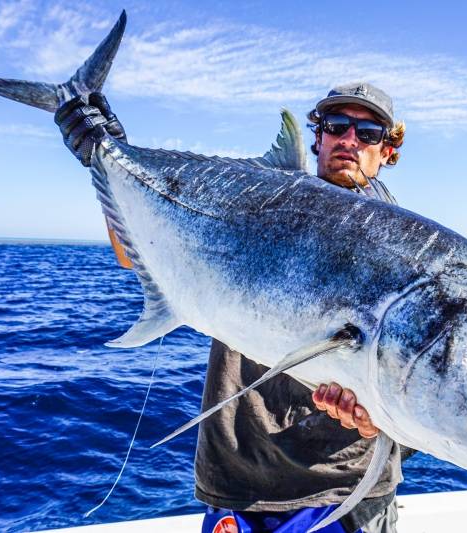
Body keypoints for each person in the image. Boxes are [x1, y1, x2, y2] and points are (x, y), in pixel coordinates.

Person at [55, 82, 407, 533]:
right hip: (236, 478)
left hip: (343, 490)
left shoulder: (404, 252)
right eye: (337, 126)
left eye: (369, 132)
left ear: (388, 149)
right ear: (318, 137)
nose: (349, 141)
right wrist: (102, 154)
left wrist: (375, 422)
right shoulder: (258, 202)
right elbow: (133, 253)